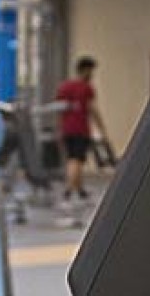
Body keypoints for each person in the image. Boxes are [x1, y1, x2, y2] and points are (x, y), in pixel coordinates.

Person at [57, 56, 108, 203]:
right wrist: (102, 128)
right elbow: (92, 109)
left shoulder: (64, 87)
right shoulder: (86, 88)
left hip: (67, 130)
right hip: (80, 129)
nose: (92, 74)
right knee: (77, 160)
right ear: (84, 70)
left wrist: (60, 128)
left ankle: (80, 190)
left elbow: (60, 110)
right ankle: (69, 190)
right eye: (90, 71)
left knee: (72, 159)